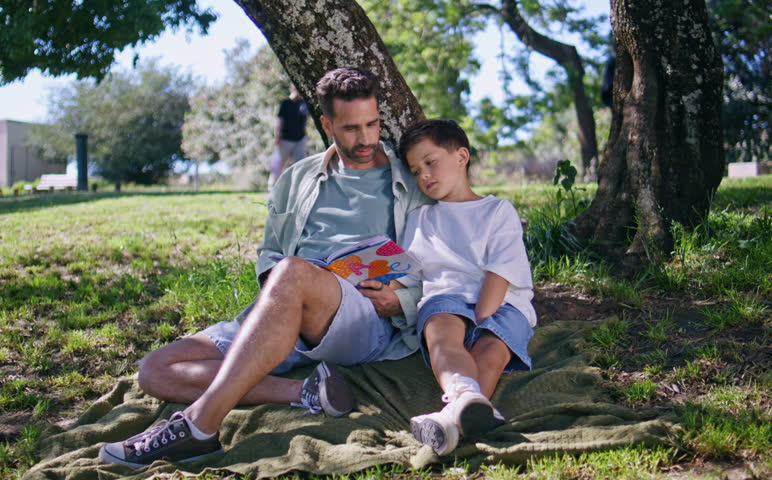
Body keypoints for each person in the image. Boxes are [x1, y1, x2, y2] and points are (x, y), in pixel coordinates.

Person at [98, 67, 429, 467]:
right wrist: (276, 279)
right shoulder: (298, 177)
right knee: (154, 370)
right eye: (350, 128)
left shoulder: (410, 180)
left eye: (372, 124)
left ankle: (199, 426)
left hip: (363, 318)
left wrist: (404, 300)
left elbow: (444, 262)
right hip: (286, 304)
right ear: (326, 124)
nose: (365, 138)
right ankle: (306, 391)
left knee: (292, 271)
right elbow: (270, 251)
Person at [391, 119, 537, 456]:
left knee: (492, 349)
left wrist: (484, 319)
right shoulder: (421, 219)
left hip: (502, 303)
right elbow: (409, 272)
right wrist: (381, 283)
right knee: (442, 331)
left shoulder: (497, 210)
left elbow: (500, 271)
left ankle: (449, 423)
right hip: (446, 300)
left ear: (461, 156)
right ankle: (465, 398)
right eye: (415, 170)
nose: (424, 175)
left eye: (430, 162)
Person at [269, 84, 309, 188]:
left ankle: (300, 189)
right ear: (292, 89)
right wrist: (277, 136)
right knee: (278, 166)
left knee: (301, 165)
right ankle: (272, 188)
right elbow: (280, 121)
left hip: (300, 139)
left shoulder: (303, 104)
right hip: (285, 139)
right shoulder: (285, 103)